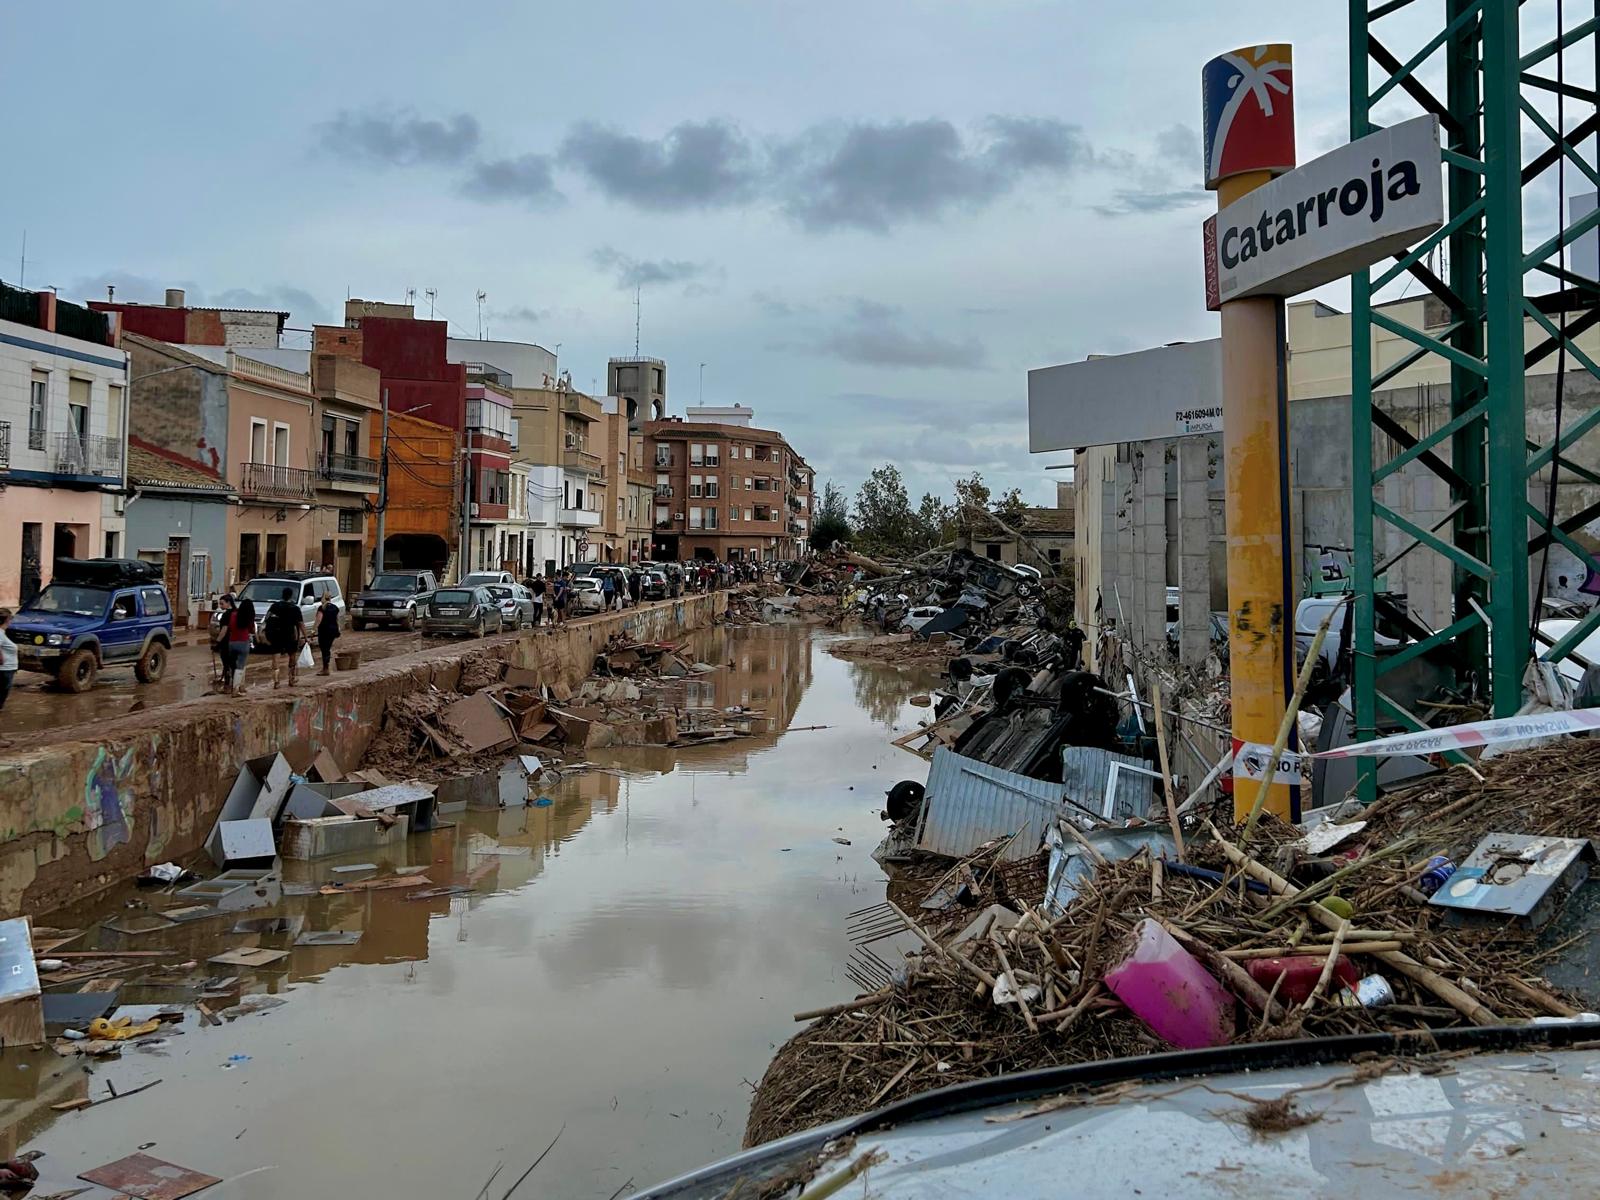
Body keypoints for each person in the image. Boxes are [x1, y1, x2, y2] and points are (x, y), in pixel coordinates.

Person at [264, 586, 305, 688]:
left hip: (276, 634)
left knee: (276, 658)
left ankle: (276, 682)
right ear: (291, 596)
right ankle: (291, 679)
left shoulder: (275, 606)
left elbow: (267, 618)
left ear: (282, 595)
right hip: (291, 635)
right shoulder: (295, 608)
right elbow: (301, 624)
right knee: (292, 657)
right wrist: (306, 636)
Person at [225, 595, 256, 694]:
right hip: (243, 642)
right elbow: (252, 630)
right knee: (241, 666)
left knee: (233, 665)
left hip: (232, 642)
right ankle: (235, 689)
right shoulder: (249, 617)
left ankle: (238, 686)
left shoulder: (233, 614)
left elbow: (230, 627)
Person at [212, 593, 237, 692]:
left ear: (228, 603)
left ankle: (227, 686)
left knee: (227, 665)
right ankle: (236, 686)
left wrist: (217, 642)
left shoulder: (227, 615)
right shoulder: (237, 612)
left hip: (227, 642)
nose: (220, 606)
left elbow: (224, 630)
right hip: (238, 641)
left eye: (222, 604)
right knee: (235, 665)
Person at [314, 592, 341, 675]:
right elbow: (337, 620)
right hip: (333, 631)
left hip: (324, 631)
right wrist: (338, 629)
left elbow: (318, 620)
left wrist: (313, 630)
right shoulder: (335, 608)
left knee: (324, 649)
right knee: (327, 648)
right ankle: (326, 667)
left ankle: (325, 669)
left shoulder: (322, 608)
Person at [0, 609, 15, 736]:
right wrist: (1, 659)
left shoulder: (2, 633)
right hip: (4, 671)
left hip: (6, 670)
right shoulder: (0, 633)